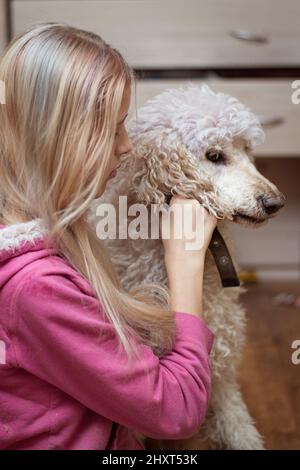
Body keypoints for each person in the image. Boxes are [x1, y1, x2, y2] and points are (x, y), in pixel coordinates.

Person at [0, 23, 217, 450]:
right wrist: (186, 262)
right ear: (59, 136)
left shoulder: (39, 235)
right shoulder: (35, 287)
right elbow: (175, 411)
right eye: (114, 128)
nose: (127, 146)